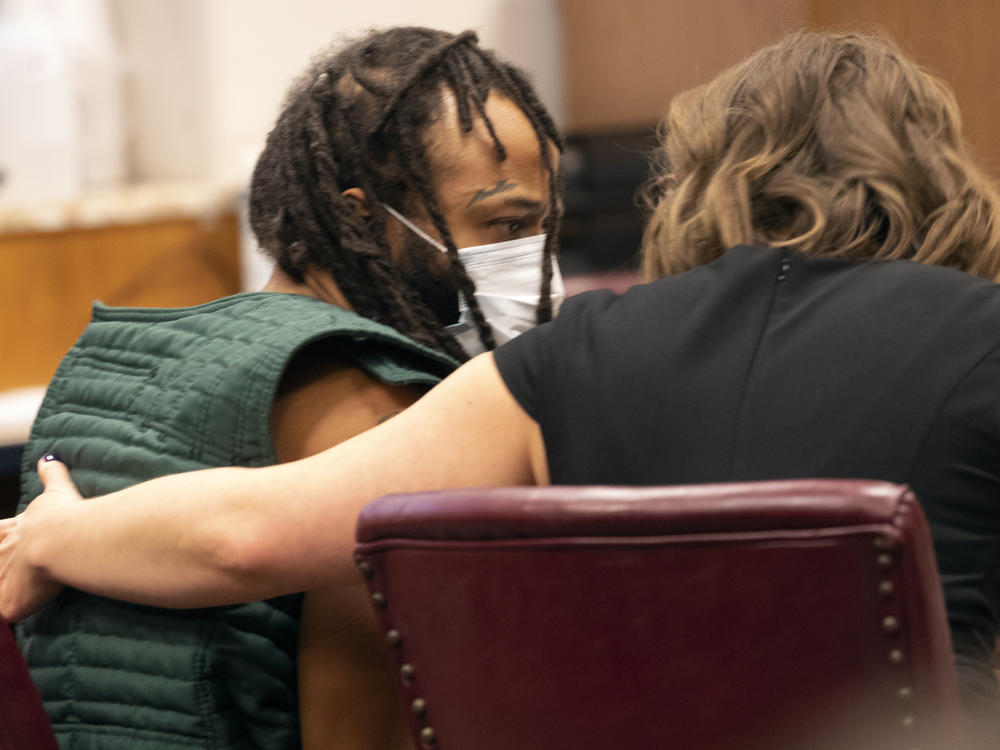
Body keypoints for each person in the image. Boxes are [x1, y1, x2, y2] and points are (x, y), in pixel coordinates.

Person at [3, 29, 1000, 739]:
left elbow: (245, 535)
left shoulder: (570, 358)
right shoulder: (981, 341)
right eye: (506, 222)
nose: (533, 258)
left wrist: (58, 530)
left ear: (701, 180)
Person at [9, 26, 563, 750]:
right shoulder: (373, 402)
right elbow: (366, 733)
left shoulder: (115, 362)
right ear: (364, 217)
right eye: (504, 224)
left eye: (542, 228)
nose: (534, 261)